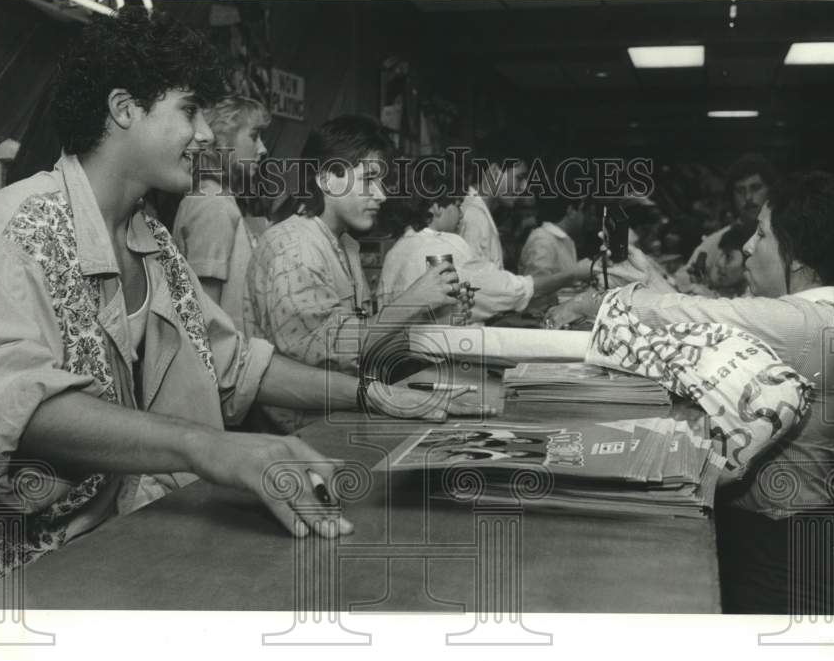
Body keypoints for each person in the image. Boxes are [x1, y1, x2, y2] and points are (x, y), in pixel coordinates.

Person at [0, 8, 490, 602]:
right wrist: (210, 446)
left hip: (116, 544)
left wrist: (370, 395)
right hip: (9, 578)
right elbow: (23, 410)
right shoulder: (8, 232)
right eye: (188, 110)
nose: (204, 134)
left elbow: (234, 362)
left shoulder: (152, 238)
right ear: (123, 109)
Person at [546, 172, 834, 614]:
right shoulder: (821, 316)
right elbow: (703, 321)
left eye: (763, 235)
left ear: (799, 258)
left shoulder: (809, 325)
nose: (748, 246)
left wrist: (599, 301)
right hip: (778, 532)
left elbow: (692, 314)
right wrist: (644, 279)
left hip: (782, 550)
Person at [244, 118, 472, 431]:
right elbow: (319, 357)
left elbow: (361, 339)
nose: (381, 194)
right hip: (297, 433)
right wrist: (411, 302)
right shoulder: (294, 248)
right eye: (368, 180)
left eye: (381, 182)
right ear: (327, 179)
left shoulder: (344, 243)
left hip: (339, 413)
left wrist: (433, 315)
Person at [378, 162, 585, 325]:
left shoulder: (396, 250)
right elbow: (502, 290)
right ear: (436, 207)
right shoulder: (446, 242)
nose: (461, 212)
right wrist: (573, 274)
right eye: (458, 204)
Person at [172, 94, 270, 333]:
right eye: (254, 136)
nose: (262, 149)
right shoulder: (213, 203)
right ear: (224, 139)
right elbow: (206, 316)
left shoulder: (217, 197)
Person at [678, 153, 776, 294]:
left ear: (770, 191)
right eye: (740, 191)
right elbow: (683, 277)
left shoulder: (784, 239)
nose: (748, 198)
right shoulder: (717, 241)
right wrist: (701, 284)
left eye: (755, 188)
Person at [458, 134, 530, 270]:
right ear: (495, 172)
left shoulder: (477, 211)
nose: (523, 187)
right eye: (519, 178)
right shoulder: (473, 216)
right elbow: (474, 283)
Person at [518, 191, 593, 312]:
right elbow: (536, 290)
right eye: (582, 211)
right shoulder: (542, 240)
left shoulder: (563, 239)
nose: (583, 218)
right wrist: (576, 273)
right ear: (571, 211)